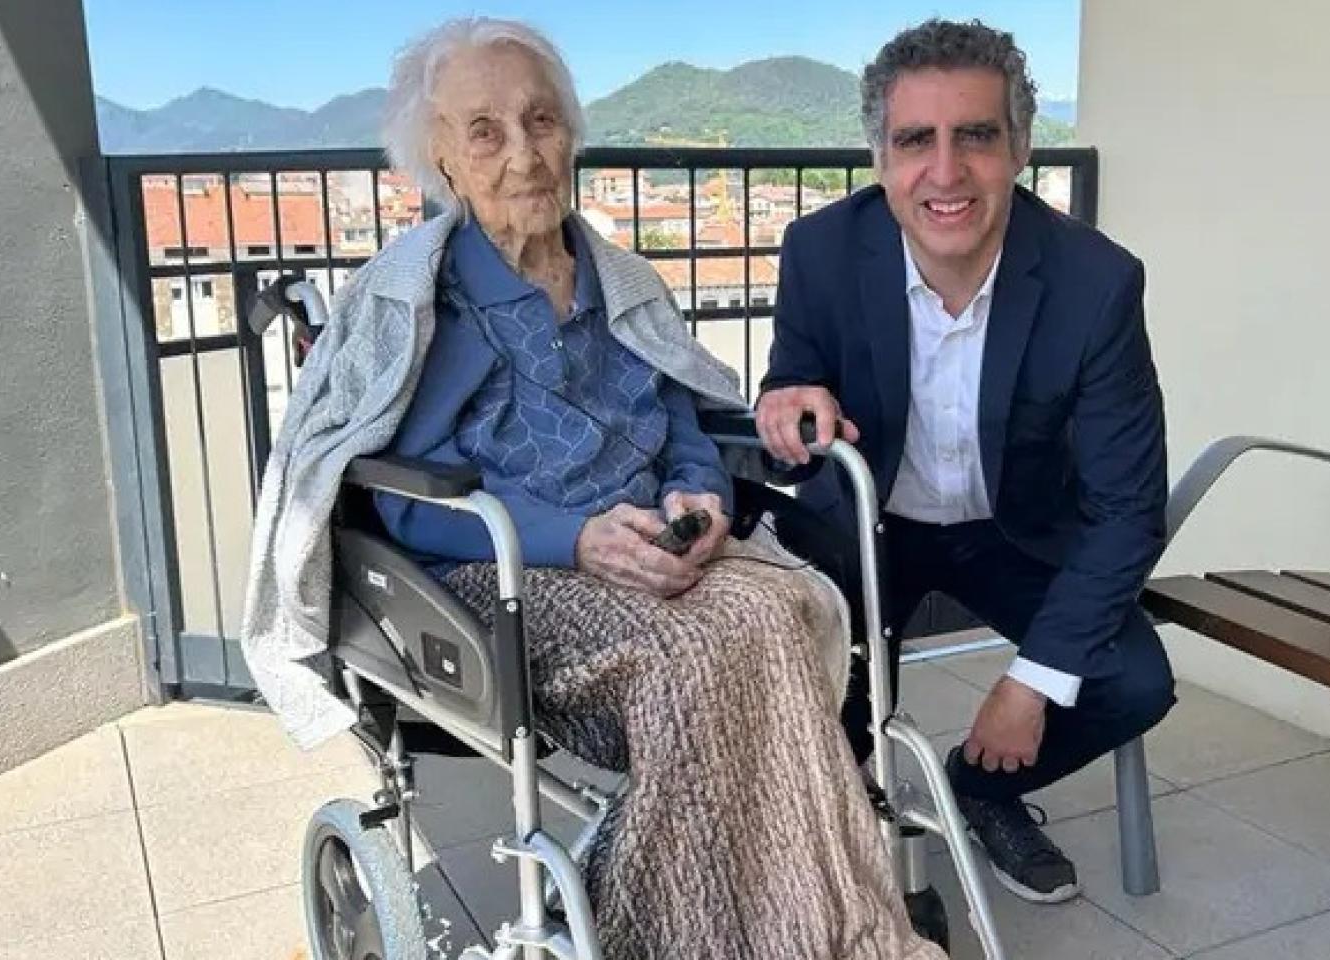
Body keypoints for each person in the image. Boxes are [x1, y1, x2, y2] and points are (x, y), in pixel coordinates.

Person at [368, 18, 944, 960]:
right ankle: (687, 928)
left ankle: (817, 927)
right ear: (440, 157)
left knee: (791, 605)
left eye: (542, 120)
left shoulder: (616, 279)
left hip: (659, 547)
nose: (523, 154)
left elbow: (682, 420)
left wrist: (698, 499)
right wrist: (575, 538)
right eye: (485, 131)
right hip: (514, 575)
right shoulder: (427, 307)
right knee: (697, 660)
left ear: (573, 133)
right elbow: (399, 499)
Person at [754, 18, 1177, 905]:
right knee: (815, 718)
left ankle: (978, 789)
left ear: (1020, 148)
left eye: (975, 137)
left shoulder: (1096, 283)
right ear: (880, 155)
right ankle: (846, 847)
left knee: (1131, 680)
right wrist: (788, 402)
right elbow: (792, 377)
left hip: (1012, 534)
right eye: (916, 140)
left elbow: (1128, 505)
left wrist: (1029, 682)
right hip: (867, 532)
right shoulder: (822, 251)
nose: (945, 173)